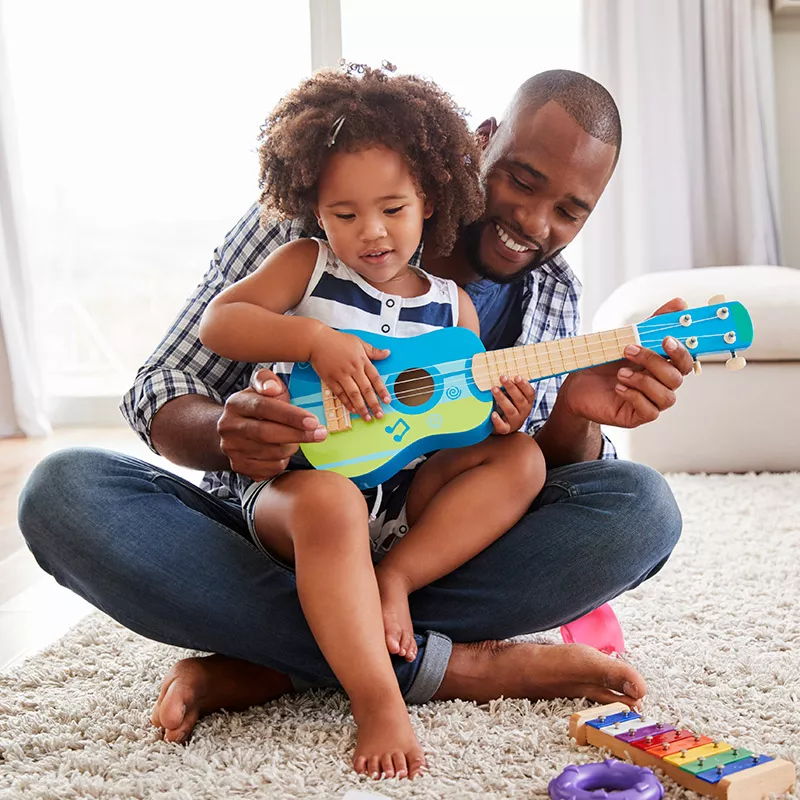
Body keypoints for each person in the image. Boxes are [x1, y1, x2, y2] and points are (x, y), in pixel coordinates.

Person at [17, 69, 690, 782]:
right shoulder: (316, 216)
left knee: (640, 510)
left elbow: (531, 478)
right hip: (281, 520)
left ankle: (280, 660)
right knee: (63, 493)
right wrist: (229, 434)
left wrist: (576, 415)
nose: (535, 222)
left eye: (570, 211)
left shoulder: (541, 293)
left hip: (418, 543)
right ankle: (447, 666)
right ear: (482, 144)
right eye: (522, 182)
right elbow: (161, 385)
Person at [197, 64, 546, 775]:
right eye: (345, 215)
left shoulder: (453, 308)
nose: (372, 232)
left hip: (401, 506)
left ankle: (394, 585)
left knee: (524, 462)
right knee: (329, 503)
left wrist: (502, 418)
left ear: (431, 196)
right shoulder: (308, 266)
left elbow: (454, 423)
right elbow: (220, 324)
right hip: (303, 494)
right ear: (316, 211)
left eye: (393, 208)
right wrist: (313, 341)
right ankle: (379, 696)